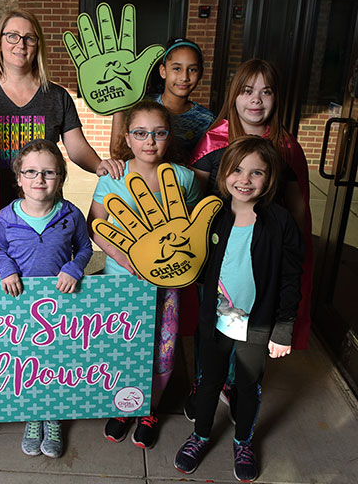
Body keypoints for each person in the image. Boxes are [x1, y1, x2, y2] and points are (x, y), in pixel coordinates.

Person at [186, 59, 313, 420]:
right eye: (247, 91)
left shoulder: (284, 145)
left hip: (262, 257)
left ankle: (235, 382)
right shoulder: (213, 139)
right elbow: (194, 198)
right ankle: (204, 381)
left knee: (252, 325)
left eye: (266, 92)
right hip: (217, 254)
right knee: (211, 325)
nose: (255, 100)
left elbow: (297, 207)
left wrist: (293, 252)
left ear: (276, 98)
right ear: (234, 95)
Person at [174, 135, 304, 482]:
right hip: (214, 320)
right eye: (237, 170)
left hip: (257, 325)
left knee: (247, 386)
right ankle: (200, 434)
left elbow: (292, 277)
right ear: (225, 173)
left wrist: (283, 328)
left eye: (256, 173)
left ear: (270, 178)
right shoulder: (212, 213)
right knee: (209, 381)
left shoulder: (279, 222)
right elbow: (196, 261)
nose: (244, 180)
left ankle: (243, 440)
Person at [87, 100, 202, 448]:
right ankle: (124, 404)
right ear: (128, 136)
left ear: (169, 136)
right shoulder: (114, 177)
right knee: (122, 345)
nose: (149, 141)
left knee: (162, 348)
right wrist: (123, 260)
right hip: (122, 281)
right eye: (140, 133)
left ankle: (150, 408)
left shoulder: (183, 178)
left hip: (168, 284)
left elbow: (194, 227)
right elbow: (95, 227)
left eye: (158, 133)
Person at [0, 8, 125, 208]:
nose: (21, 44)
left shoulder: (57, 96)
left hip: (46, 208)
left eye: (29, 38)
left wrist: (98, 165)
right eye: (12, 36)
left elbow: (76, 148)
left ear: (37, 45)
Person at [0, 139, 93, 458]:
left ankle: (53, 417)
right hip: (21, 304)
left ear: (61, 179)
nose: (39, 179)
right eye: (31, 172)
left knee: (55, 361)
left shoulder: (71, 214)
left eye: (49, 172)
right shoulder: (7, 216)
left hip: (61, 305)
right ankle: (33, 417)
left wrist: (74, 267)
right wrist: (6, 269)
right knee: (28, 361)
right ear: (19, 178)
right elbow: (0, 250)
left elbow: (86, 249)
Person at [111, 37, 215, 158]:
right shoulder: (141, 107)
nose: (184, 77)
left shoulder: (206, 120)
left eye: (192, 69)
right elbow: (117, 154)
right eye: (177, 69)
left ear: (201, 73)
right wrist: (117, 107)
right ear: (163, 71)